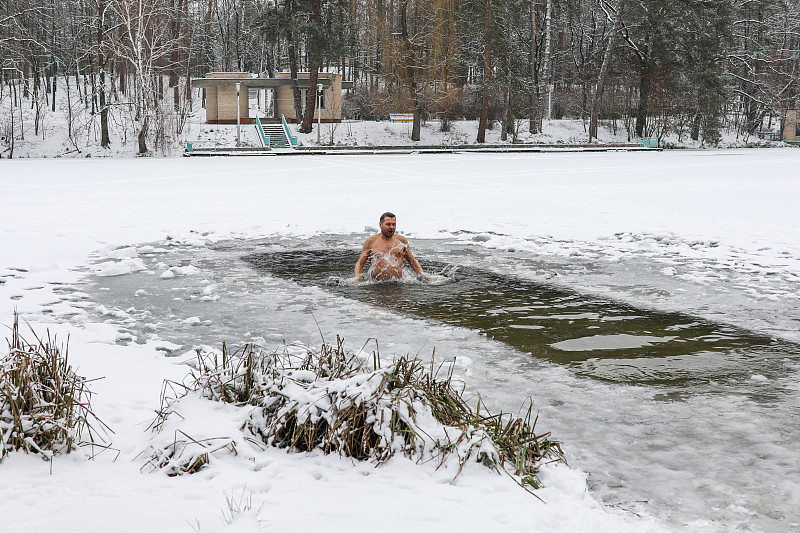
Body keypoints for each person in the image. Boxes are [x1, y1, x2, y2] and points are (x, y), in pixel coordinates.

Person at [354, 212, 429, 282]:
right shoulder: (371, 241)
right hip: (376, 285)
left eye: (394, 224)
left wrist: (422, 275)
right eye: (388, 224)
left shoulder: (401, 240)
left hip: (398, 284)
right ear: (380, 225)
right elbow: (360, 263)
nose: (391, 227)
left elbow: (412, 261)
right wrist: (358, 278)